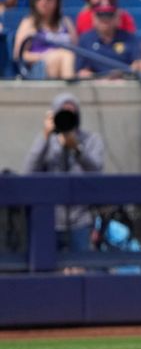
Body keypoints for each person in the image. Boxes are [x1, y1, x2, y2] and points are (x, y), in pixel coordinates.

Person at [22, 93, 104, 252]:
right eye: (63, 112)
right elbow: (28, 171)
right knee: (46, 271)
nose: (68, 116)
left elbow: (97, 171)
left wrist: (77, 149)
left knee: (81, 270)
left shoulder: (91, 139)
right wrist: (45, 136)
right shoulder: (46, 141)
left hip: (80, 219)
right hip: (49, 219)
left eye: (71, 112)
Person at [13, 0, 77, 79]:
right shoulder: (29, 23)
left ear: (57, 1)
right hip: (38, 69)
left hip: (65, 63)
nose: (43, 2)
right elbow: (18, 55)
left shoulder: (66, 22)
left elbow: (76, 49)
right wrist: (45, 56)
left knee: (66, 56)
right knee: (63, 56)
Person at [75, 5, 141, 77]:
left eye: (109, 15)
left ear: (117, 18)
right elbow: (80, 71)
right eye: (100, 15)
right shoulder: (85, 39)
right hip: (95, 83)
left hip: (124, 82)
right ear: (93, 18)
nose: (105, 19)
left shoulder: (130, 39)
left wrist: (129, 72)